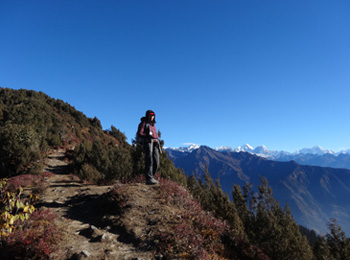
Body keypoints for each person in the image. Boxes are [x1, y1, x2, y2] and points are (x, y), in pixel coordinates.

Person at [138, 110, 160, 185]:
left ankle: (151, 177)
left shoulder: (153, 125)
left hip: (155, 143)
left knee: (156, 161)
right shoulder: (144, 123)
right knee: (149, 160)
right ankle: (149, 178)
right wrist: (147, 137)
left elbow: (155, 134)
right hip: (148, 143)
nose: (152, 117)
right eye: (150, 115)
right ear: (147, 115)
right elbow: (140, 133)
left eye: (153, 115)